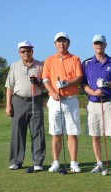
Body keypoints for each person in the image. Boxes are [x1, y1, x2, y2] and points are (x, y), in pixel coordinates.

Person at [81, 34, 111, 174]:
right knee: (95, 135)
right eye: (96, 43)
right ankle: (99, 163)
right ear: (93, 45)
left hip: (109, 102)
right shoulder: (86, 63)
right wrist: (93, 93)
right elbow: (83, 84)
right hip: (93, 103)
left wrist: (107, 84)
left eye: (101, 43)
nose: (99, 45)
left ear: (105, 45)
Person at [42, 32, 83, 173]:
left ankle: (73, 162)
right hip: (54, 100)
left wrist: (66, 83)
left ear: (68, 43)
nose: (61, 44)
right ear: (55, 44)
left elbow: (79, 78)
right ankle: (56, 162)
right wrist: (52, 92)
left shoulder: (75, 59)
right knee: (56, 133)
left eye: (64, 41)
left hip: (71, 100)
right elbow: (45, 79)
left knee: (72, 133)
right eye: (59, 42)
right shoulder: (49, 60)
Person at [5, 41, 46, 172]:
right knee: (17, 132)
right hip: (18, 101)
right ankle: (16, 161)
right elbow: (9, 87)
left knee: (38, 131)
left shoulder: (40, 65)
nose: (26, 53)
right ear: (19, 53)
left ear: (32, 51)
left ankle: (38, 162)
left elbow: (45, 86)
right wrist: (8, 105)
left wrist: (39, 82)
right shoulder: (15, 66)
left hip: (36, 100)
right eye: (23, 51)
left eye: (28, 50)